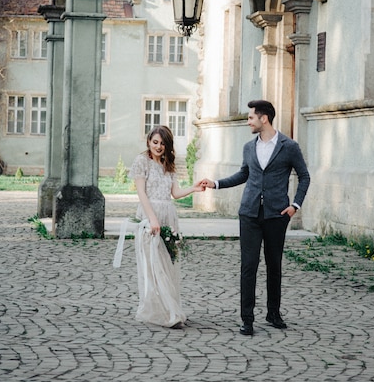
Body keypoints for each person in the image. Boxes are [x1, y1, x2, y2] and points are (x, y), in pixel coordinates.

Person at [202, 100, 310, 336]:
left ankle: (273, 313)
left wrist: (294, 206)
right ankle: (247, 319)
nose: (248, 121)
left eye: (251, 117)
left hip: (276, 215)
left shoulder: (289, 146)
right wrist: (216, 183)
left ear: (264, 119)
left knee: (274, 266)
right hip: (249, 214)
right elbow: (243, 174)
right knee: (248, 267)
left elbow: (304, 176)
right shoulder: (249, 148)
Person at [131, 125, 205, 329]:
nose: (159, 146)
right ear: (148, 142)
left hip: (168, 217)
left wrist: (193, 188)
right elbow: (142, 193)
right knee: (154, 266)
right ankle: (164, 312)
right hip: (149, 217)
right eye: (155, 142)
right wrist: (152, 219)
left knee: (168, 265)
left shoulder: (168, 164)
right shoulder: (141, 162)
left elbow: (175, 193)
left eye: (163, 143)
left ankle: (169, 308)